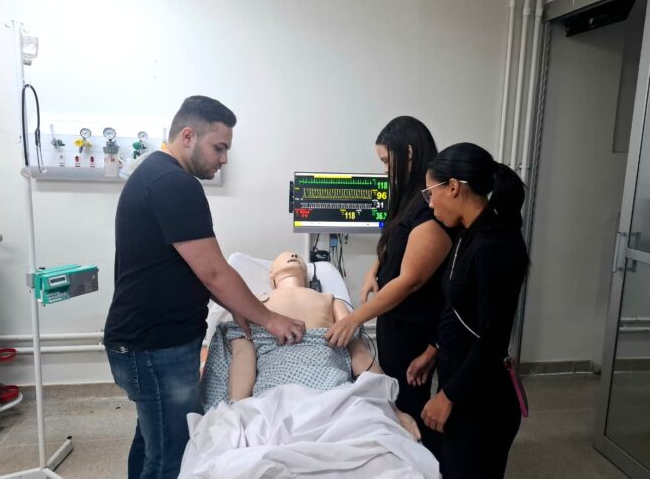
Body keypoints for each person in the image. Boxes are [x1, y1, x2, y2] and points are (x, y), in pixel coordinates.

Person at [103, 96, 306, 479]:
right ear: (187, 136)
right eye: (219, 147)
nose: (224, 159)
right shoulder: (174, 184)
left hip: (145, 342)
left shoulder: (155, 175)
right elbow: (213, 272)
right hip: (156, 348)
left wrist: (242, 309)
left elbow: (193, 268)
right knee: (172, 456)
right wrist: (269, 319)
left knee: (152, 440)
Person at [325, 116, 453, 452]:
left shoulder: (430, 208)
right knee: (392, 392)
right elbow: (396, 243)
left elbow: (410, 280)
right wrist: (375, 270)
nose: (384, 171)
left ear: (408, 153)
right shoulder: (409, 199)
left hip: (414, 324)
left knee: (407, 399)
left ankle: (415, 459)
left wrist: (354, 318)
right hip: (395, 317)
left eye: (386, 161)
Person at [407, 142, 529, 478]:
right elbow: (459, 306)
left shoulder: (495, 245)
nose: (430, 204)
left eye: (430, 193)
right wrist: (434, 348)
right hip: (462, 380)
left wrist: (448, 395)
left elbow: (493, 338)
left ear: (453, 187)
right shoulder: (469, 233)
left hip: (481, 399)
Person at [226, 251, 420, 441]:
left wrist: (393, 408)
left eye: (297, 256)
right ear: (272, 277)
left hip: (332, 392)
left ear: (307, 278)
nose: (293, 255)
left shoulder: (331, 300)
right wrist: (237, 412)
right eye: (285, 256)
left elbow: (359, 352)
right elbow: (243, 357)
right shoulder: (253, 305)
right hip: (275, 395)